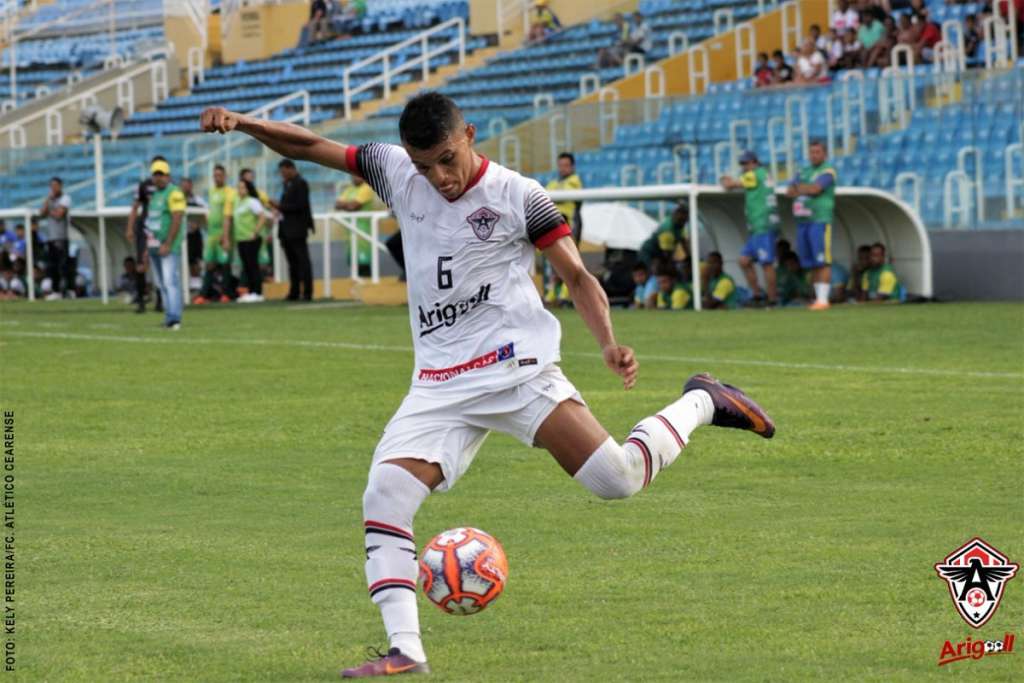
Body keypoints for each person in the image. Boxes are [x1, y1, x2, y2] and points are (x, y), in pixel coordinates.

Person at [201, 91, 777, 678]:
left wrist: (606, 340)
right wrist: (246, 122)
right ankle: (407, 652)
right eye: (425, 165)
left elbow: (576, 274)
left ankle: (703, 399)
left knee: (619, 480)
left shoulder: (518, 196)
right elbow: (311, 145)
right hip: (438, 385)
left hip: (516, 370)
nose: (439, 177)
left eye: (447, 159)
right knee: (384, 496)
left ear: (469, 134)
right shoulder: (396, 170)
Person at [720, 151, 780, 306]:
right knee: (744, 261)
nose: (744, 167)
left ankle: (772, 300)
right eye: (742, 164)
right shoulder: (762, 174)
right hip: (758, 227)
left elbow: (729, 185)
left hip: (763, 224)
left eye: (746, 163)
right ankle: (757, 295)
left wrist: (725, 179)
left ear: (754, 162)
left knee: (767, 264)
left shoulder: (755, 174)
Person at [786, 139, 837, 310]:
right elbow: (789, 191)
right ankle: (817, 299)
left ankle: (823, 300)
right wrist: (804, 188)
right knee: (812, 262)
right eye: (811, 152)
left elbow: (816, 189)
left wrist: (801, 188)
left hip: (820, 220)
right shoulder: (803, 170)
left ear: (825, 154)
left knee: (823, 261)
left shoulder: (827, 171)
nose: (814, 155)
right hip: (803, 221)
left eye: (817, 152)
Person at [144, 159, 186, 329]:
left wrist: (168, 243)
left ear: (168, 176)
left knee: (170, 281)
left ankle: (175, 317)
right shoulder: (155, 195)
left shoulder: (174, 193)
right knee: (162, 283)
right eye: (155, 174)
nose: (158, 178)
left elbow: (177, 218)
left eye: (161, 174)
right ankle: (169, 317)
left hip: (168, 246)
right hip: (154, 245)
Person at [127, 156, 165, 313]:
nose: (157, 175)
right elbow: (135, 207)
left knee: (160, 265)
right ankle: (141, 301)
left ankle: (160, 301)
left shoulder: (169, 188)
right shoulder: (144, 186)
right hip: (144, 229)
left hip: (160, 229)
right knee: (141, 265)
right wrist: (130, 227)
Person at [544, 152, 583, 306]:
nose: (563, 169)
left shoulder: (575, 182)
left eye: (566, 165)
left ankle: (568, 294)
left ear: (572, 167)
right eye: (560, 165)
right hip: (551, 225)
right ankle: (553, 292)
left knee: (570, 261)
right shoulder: (553, 183)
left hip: (569, 225)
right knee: (553, 260)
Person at [274, 159, 315, 301]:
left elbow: (300, 206)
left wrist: (279, 206)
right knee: (292, 263)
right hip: (286, 230)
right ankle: (294, 291)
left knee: (303, 262)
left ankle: (308, 292)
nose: (282, 175)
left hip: (297, 229)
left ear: (291, 168)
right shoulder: (287, 184)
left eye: (283, 172)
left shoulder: (301, 183)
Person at [195, 164, 236, 304]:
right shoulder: (212, 191)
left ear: (225, 176)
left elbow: (227, 216)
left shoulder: (229, 192)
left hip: (223, 232)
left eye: (219, 175)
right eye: (215, 175)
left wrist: (225, 236)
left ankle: (226, 293)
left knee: (225, 264)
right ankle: (204, 294)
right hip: (211, 233)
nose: (217, 178)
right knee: (210, 263)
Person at [335, 174, 378, 277]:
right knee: (353, 266)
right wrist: (348, 205)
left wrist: (345, 205)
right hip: (350, 233)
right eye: (352, 175)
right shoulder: (350, 189)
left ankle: (368, 291)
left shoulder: (367, 188)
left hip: (363, 232)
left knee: (364, 266)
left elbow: (353, 206)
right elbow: (337, 205)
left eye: (356, 175)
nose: (354, 177)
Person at [234, 178, 268, 303]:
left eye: (242, 187)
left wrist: (255, 232)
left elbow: (262, 217)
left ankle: (257, 292)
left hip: (251, 238)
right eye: (238, 187)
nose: (240, 190)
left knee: (253, 265)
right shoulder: (237, 202)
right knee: (246, 266)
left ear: (248, 189)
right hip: (241, 238)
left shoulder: (252, 201)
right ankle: (250, 291)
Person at [39, 177, 72, 300]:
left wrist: (49, 211)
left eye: (56, 185)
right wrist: (48, 200)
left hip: (61, 237)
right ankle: (56, 291)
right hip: (51, 237)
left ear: (61, 186)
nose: (53, 188)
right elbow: (41, 213)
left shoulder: (65, 198)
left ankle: (68, 290)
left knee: (63, 266)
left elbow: (59, 215)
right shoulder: (50, 199)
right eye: (51, 186)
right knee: (52, 266)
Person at [638, 201, 689, 267]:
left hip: (660, 253)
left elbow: (684, 242)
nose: (684, 223)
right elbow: (667, 255)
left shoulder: (680, 225)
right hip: (649, 253)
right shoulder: (667, 229)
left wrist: (689, 258)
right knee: (654, 270)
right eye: (683, 220)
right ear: (675, 216)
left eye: (686, 220)